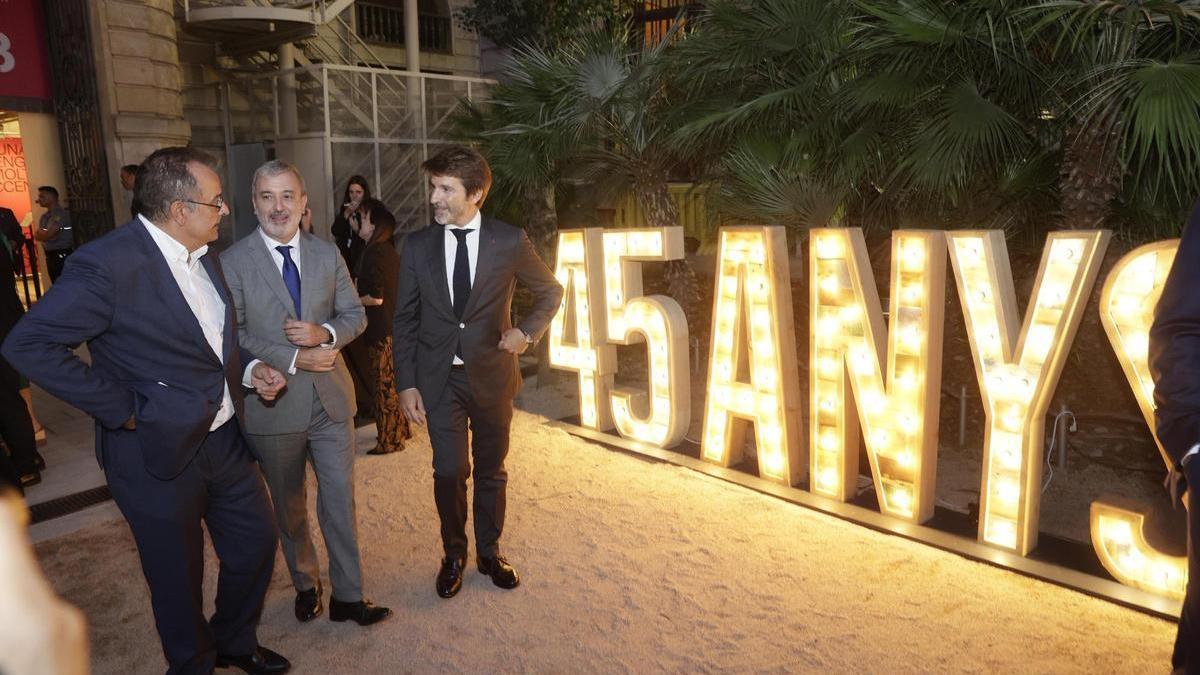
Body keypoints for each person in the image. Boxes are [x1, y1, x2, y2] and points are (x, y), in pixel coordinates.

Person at [1, 147, 291, 675]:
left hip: (224, 440)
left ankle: (233, 639)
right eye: (216, 202)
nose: (224, 211)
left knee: (255, 545)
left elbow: (208, 345)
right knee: (175, 576)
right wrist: (123, 409)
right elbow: (28, 344)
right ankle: (193, 663)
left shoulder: (205, 256)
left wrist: (248, 372)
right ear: (180, 210)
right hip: (152, 450)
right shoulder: (107, 264)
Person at [220, 160, 391, 627]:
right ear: (253, 204)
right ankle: (305, 583)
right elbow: (231, 336)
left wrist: (325, 334)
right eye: (267, 197)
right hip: (272, 408)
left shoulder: (326, 252)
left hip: (333, 403)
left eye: (287, 196)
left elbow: (355, 315)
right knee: (289, 506)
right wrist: (294, 358)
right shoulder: (232, 262)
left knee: (339, 499)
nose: (279, 206)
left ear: (304, 203)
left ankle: (349, 596)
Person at [393, 145, 563, 598]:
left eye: (446, 189)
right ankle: (454, 553)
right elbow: (405, 319)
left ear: (477, 193)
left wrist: (526, 333)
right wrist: (405, 382)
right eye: (433, 187)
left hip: (491, 374)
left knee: (492, 469)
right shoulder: (416, 245)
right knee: (449, 470)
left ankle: (489, 551)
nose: (435, 198)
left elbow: (550, 290)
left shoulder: (509, 241)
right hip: (439, 379)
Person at [353, 198, 410, 455]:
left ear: (373, 223)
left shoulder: (375, 252)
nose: (358, 223)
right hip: (394, 328)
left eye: (363, 218)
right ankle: (401, 431)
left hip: (381, 330)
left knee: (384, 387)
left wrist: (353, 299)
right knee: (394, 385)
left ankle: (390, 440)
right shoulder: (387, 250)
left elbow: (376, 296)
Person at [0, 224, 41, 490]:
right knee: (7, 397)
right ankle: (27, 460)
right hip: (6, 323)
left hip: (4, 324)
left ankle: (25, 463)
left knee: (6, 399)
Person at [31, 186, 72, 283]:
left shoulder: (60, 215)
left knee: (64, 285)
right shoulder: (45, 217)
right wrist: (45, 235)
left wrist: (45, 235)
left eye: (42, 197)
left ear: (52, 197)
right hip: (51, 257)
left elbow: (48, 235)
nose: (38, 200)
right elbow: (37, 235)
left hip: (62, 256)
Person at [331, 176, 369, 275]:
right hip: (346, 258)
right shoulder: (345, 209)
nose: (354, 196)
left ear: (364, 193)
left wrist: (358, 231)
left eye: (358, 192)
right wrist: (346, 214)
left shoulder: (368, 211)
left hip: (362, 258)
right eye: (351, 192)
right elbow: (335, 230)